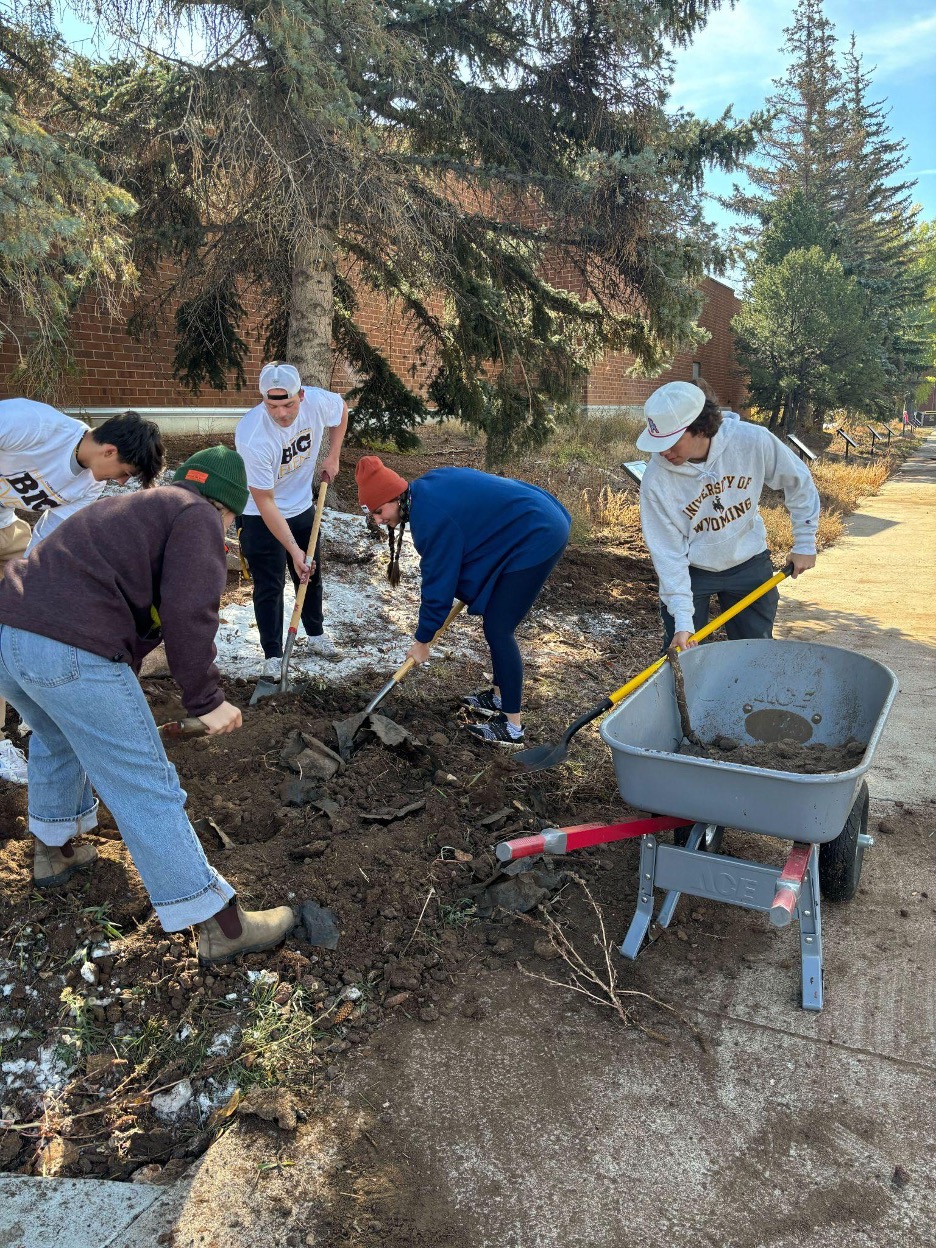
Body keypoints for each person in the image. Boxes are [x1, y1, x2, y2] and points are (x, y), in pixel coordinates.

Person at [0, 446, 294, 965]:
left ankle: (53, 852)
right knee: (145, 787)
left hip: (11, 636)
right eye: (231, 519)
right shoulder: (196, 515)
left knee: (57, 738)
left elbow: (124, 606)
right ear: (226, 507)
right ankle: (221, 924)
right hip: (67, 648)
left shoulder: (135, 510)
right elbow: (188, 610)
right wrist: (207, 699)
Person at [0, 399, 164, 782]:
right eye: (125, 472)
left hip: (5, 527)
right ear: (109, 450)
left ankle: (27, 710)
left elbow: (45, 537)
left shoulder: (91, 485)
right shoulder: (34, 424)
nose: (121, 483)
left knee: (17, 615)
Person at [356, 456, 571, 747]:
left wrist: (423, 640)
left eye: (380, 512)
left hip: (537, 533)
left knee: (499, 627)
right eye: (374, 516)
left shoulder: (430, 520)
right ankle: (498, 696)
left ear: (395, 497)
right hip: (530, 518)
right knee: (495, 619)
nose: (379, 521)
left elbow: (438, 587)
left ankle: (512, 726)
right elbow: (469, 531)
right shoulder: (423, 489)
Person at [637, 381, 820, 653]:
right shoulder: (656, 480)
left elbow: (798, 481)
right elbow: (667, 553)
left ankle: (752, 696)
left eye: (671, 442)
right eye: (657, 442)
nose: (663, 451)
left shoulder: (752, 441)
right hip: (691, 568)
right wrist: (683, 620)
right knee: (685, 657)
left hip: (748, 561)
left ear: (699, 428)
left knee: (755, 652)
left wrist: (805, 542)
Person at [235, 362, 349, 681]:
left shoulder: (316, 401)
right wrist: (292, 550)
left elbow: (341, 411)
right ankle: (273, 654)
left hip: (300, 506)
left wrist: (334, 455)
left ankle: (315, 634)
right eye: (273, 405)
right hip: (260, 514)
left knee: (310, 573)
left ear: (301, 394)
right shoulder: (252, 434)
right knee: (270, 584)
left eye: (289, 404)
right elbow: (266, 501)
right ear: (262, 400)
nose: (282, 414)